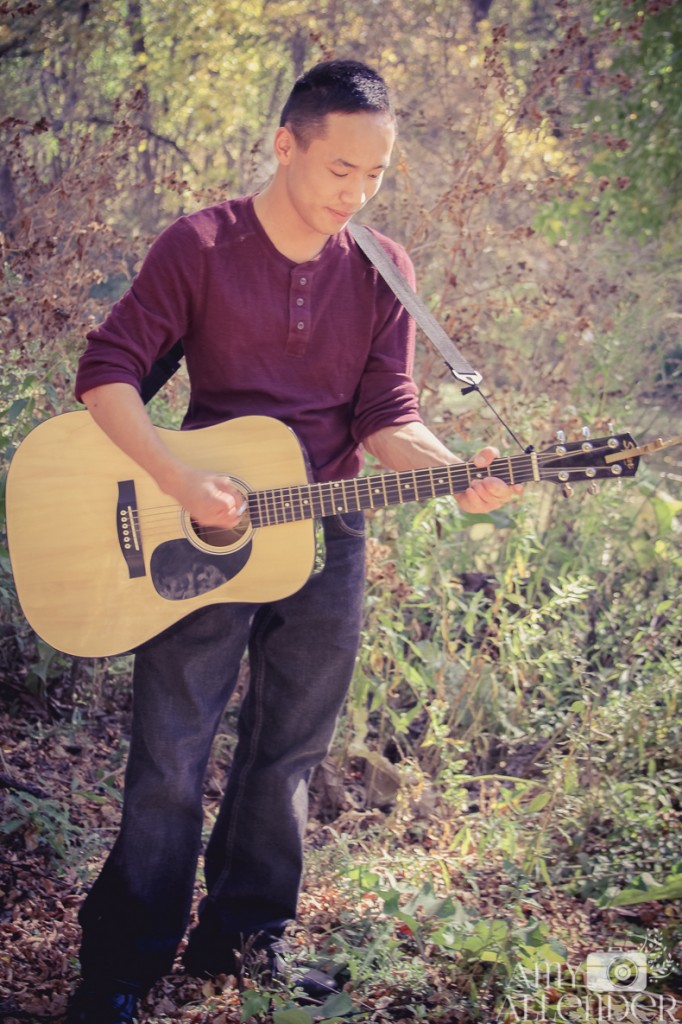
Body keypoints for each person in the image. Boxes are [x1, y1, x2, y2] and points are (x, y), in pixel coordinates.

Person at [66, 58, 521, 1024]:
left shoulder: (385, 267)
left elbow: (388, 412)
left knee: (289, 755)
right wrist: (178, 478)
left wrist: (454, 468)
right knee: (172, 753)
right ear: (286, 146)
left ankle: (244, 938)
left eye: (376, 177)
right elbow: (107, 371)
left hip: (327, 530)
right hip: (203, 529)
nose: (354, 194)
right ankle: (120, 965)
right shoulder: (200, 245)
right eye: (339, 171)